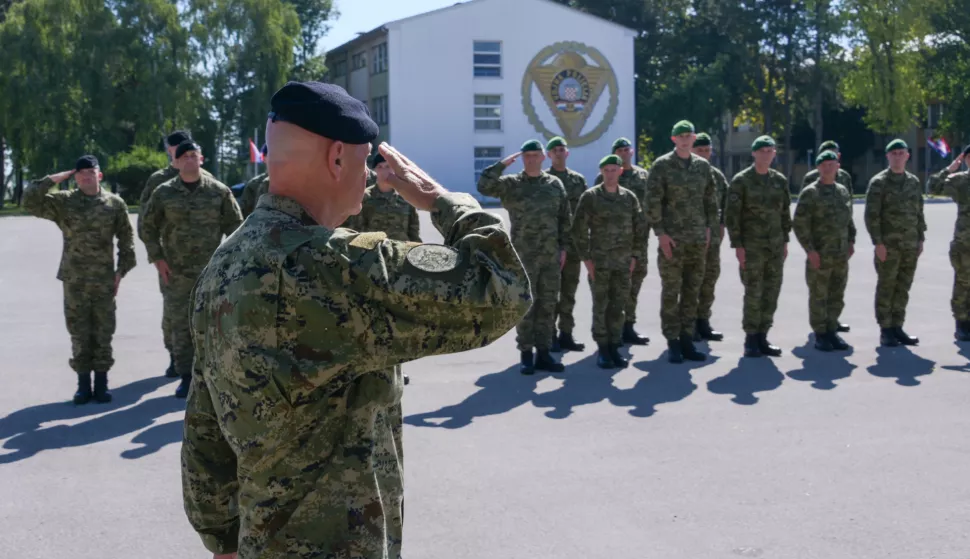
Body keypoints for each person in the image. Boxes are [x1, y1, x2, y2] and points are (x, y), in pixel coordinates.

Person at [181, 81, 531, 559]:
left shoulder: (224, 262)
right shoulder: (337, 267)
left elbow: (205, 419)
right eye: (365, 161)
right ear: (337, 158)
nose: (369, 176)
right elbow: (502, 288)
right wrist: (444, 202)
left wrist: (221, 536)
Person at [23, 155, 136, 404]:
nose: (86, 176)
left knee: (104, 331)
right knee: (79, 332)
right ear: (75, 177)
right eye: (81, 172)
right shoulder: (65, 203)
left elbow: (127, 242)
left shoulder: (114, 204)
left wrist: (120, 272)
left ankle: (102, 384)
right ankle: (83, 385)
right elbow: (30, 201)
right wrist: (58, 177)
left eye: (90, 171)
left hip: (104, 280)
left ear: (100, 175)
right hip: (74, 280)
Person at [140, 140, 243, 398]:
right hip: (175, 273)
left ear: (201, 159)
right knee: (181, 325)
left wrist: (230, 263)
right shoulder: (163, 193)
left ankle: (211, 376)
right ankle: (186, 377)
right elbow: (147, 227)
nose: (188, 160)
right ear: (175, 162)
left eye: (193, 155)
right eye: (183, 156)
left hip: (211, 272)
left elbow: (237, 228)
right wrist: (158, 259)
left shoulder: (219, 192)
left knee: (213, 325)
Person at [478, 139, 571, 374]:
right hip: (523, 255)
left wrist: (563, 248)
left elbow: (564, 218)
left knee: (548, 304)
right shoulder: (512, 184)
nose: (531, 159)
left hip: (550, 255)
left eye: (535, 155)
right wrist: (502, 165)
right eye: (526, 156)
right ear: (523, 159)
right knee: (527, 305)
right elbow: (483, 186)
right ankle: (526, 353)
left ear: (543, 157)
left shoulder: (554, 184)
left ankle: (544, 353)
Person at [139, 130, 214, 378]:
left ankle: (199, 368)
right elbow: (146, 222)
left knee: (205, 315)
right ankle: (176, 356)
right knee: (174, 314)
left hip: (205, 263)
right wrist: (157, 256)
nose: (183, 152)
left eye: (190, 150)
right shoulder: (159, 182)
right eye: (177, 148)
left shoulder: (209, 181)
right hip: (174, 261)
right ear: (170, 151)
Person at [644, 120, 718, 363]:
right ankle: (673, 341)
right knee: (671, 292)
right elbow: (652, 202)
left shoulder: (702, 167)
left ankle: (687, 339)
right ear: (674, 139)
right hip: (672, 241)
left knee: (692, 292)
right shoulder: (662, 166)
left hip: (697, 239)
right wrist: (661, 233)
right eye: (681, 136)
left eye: (689, 135)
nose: (685, 139)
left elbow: (710, 200)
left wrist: (709, 228)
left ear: (694, 138)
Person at [572, 154, 648, 369]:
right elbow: (578, 230)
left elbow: (639, 229)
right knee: (601, 306)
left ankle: (615, 346)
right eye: (606, 170)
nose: (611, 173)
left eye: (614, 169)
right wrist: (586, 260)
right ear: (601, 172)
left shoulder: (629, 198)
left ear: (620, 171)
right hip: (600, 263)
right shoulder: (591, 197)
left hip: (623, 262)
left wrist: (635, 256)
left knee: (619, 306)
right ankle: (603, 350)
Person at [724, 135, 792, 358]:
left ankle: (763, 336)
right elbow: (732, 216)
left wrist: (785, 241)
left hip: (774, 246)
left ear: (774, 154)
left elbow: (784, 213)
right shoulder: (741, 181)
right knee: (754, 292)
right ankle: (751, 339)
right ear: (754, 153)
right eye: (762, 150)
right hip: (751, 247)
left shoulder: (779, 180)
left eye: (770, 150)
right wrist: (738, 246)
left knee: (772, 291)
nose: (766, 154)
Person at [792, 150, 856, 351]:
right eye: (824, 164)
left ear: (838, 167)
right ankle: (820, 333)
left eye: (832, 164)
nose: (828, 168)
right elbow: (800, 224)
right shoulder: (810, 193)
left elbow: (849, 219)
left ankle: (831, 331)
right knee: (819, 295)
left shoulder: (842, 191)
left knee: (837, 294)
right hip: (819, 254)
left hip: (840, 254)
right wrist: (810, 250)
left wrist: (851, 241)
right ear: (818, 168)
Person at [864, 139, 925, 347]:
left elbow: (919, 212)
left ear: (908, 156)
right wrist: (878, 243)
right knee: (887, 286)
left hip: (909, 245)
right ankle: (886, 329)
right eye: (894, 153)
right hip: (888, 246)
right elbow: (872, 216)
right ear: (888, 156)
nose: (898, 156)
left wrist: (920, 238)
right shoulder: (879, 182)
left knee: (903, 287)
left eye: (901, 153)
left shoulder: (913, 182)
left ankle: (898, 326)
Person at [594, 137, 651, 345]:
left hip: (639, 239)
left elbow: (651, 202)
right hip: (614, 243)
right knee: (614, 288)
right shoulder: (603, 178)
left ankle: (629, 326)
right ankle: (611, 330)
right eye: (620, 150)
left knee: (634, 283)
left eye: (627, 149)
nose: (625, 153)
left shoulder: (643, 175)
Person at [546, 136, 588, 352]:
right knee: (551, 293)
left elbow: (585, 212)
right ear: (549, 155)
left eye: (562, 149)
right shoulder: (544, 181)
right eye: (555, 150)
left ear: (567, 153)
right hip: (551, 247)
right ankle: (550, 336)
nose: (559, 153)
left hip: (573, 246)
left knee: (569, 293)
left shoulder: (577, 180)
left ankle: (566, 334)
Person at [927, 145, 970, 340]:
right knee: (963, 283)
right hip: (965, 242)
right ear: (966, 159)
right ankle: (961, 323)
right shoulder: (960, 181)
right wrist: (950, 169)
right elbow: (932, 187)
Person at [690, 132, 728, 341]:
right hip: (692, 239)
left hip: (713, 240)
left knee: (709, 280)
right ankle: (689, 324)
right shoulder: (688, 174)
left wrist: (722, 225)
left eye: (707, 150)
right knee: (692, 282)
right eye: (700, 150)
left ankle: (703, 321)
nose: (704, 153)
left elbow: (725, 204)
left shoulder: (717, 176)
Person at [344, 151, 421, 243]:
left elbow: (414, 233)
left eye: (388, 166)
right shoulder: (364, 197)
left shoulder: (406, 197)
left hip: (400, 253)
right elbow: (355, 232)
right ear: (375, 170)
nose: (384, 171)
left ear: (394, 170)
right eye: (380, 167)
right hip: (373, 254)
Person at [239, 144, 270, 218]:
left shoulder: (294, 182)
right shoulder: (254, 184)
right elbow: (244, 214)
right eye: (273, 155)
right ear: (263, 157)